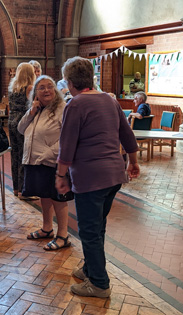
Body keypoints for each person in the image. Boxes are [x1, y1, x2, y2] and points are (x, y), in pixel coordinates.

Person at [55, 56, 140, 298]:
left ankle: (99, 284)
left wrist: (61, 175)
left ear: (70, 83)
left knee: (90, 231)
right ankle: (90, 268)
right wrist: (133, 163)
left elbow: (67, 146)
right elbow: (127, 135)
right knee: (98, 226)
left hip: (90, 178)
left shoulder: (75, 104)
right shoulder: (109, 100)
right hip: (113, 176)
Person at [17, 75, 70, 250]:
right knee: (44, 195)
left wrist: (48, 153)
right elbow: (20, 128)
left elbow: (66, 138)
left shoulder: (62, 108)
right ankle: (47, 229)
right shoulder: (36, 110)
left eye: (50, 86)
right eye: (42, 87)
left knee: (58, 198)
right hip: (35, 161)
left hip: (52, 161)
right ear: (35, 93)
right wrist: (30, 112)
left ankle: (63, 235)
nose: (46, 90)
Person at [8, 62, 36, 199]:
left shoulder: (13, 87)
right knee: (25, 155)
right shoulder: (29, 88)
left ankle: (15, 188)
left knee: (15, 155)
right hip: (23, 122)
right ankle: (23, 190)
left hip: (12, 120)